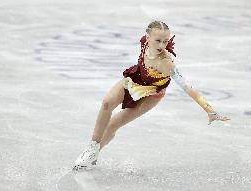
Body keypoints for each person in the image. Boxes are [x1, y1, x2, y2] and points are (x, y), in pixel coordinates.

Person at [72, 20, 231, 171]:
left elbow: (188, 88)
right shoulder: (144, 42)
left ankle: (95, 154)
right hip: (136, 78)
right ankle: (91, 148)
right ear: (147, 38)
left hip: (152, 94)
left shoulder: (166, 63)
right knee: (107, 103)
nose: (162, 45)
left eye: (165, 41)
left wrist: (210, 110)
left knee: (114, 123)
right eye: (158, 40)